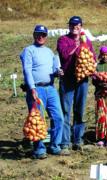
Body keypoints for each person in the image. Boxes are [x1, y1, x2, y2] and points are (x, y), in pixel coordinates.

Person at [20, 25, 64, 159]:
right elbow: (27, 70)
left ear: (46, 36)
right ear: (34, 35)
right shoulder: (28, 50)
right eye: (38, 34)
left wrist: (58, 72)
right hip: (36, 88)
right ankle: (39, 150)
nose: (41, 37)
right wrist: (32, 88)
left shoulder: (50, 52)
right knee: (37, 121)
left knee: (58, 117)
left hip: (50, 88)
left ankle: (55, 146)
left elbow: (53, 70)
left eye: (43, 35)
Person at [57, 16, 96, 154]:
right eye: (73, 25)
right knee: (66, 111)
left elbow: (92, 59)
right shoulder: (63, 40)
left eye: (77, 25)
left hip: (82, 80)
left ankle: (78, 140)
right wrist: (79, 46)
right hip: (67, 79)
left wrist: (92, 67)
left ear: (81, 26)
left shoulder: (88, 42)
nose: (75, 27)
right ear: (69, 26)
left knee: (80, 110)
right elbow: (65, 55)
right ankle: (65, 143)